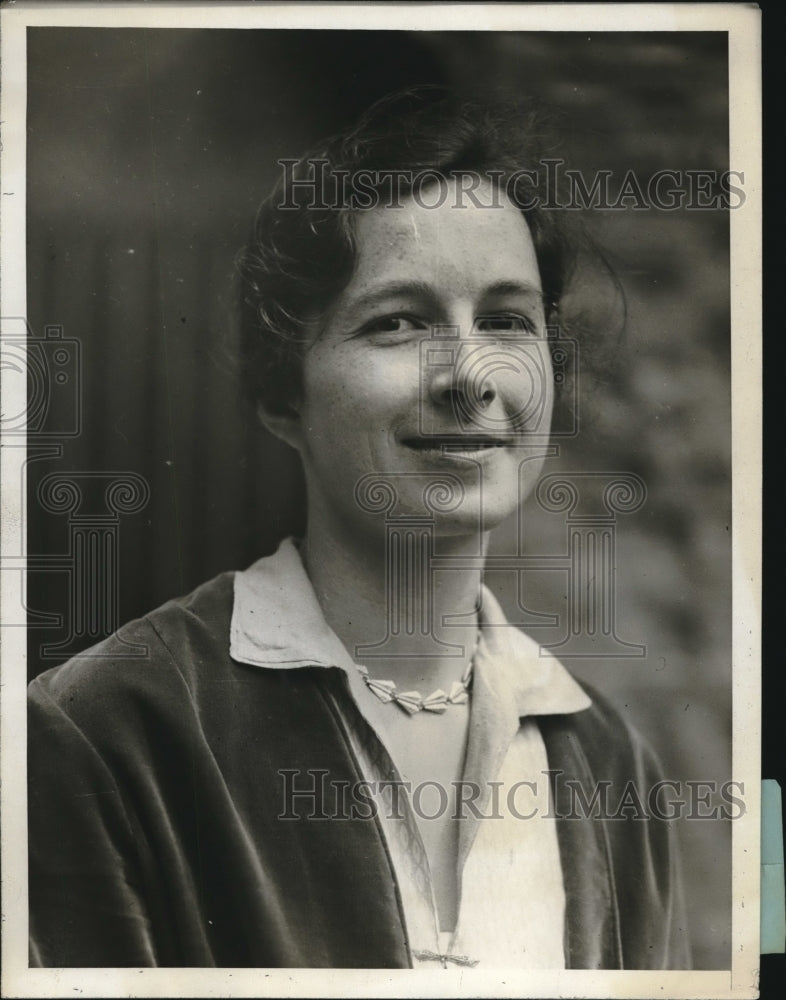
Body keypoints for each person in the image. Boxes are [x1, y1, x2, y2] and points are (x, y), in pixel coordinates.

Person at [28, 88, 690, 969]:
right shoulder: (109, 730)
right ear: (281, 394)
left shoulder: (609, 765)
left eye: (506, 319)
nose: (469, 375)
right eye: (399, 322)